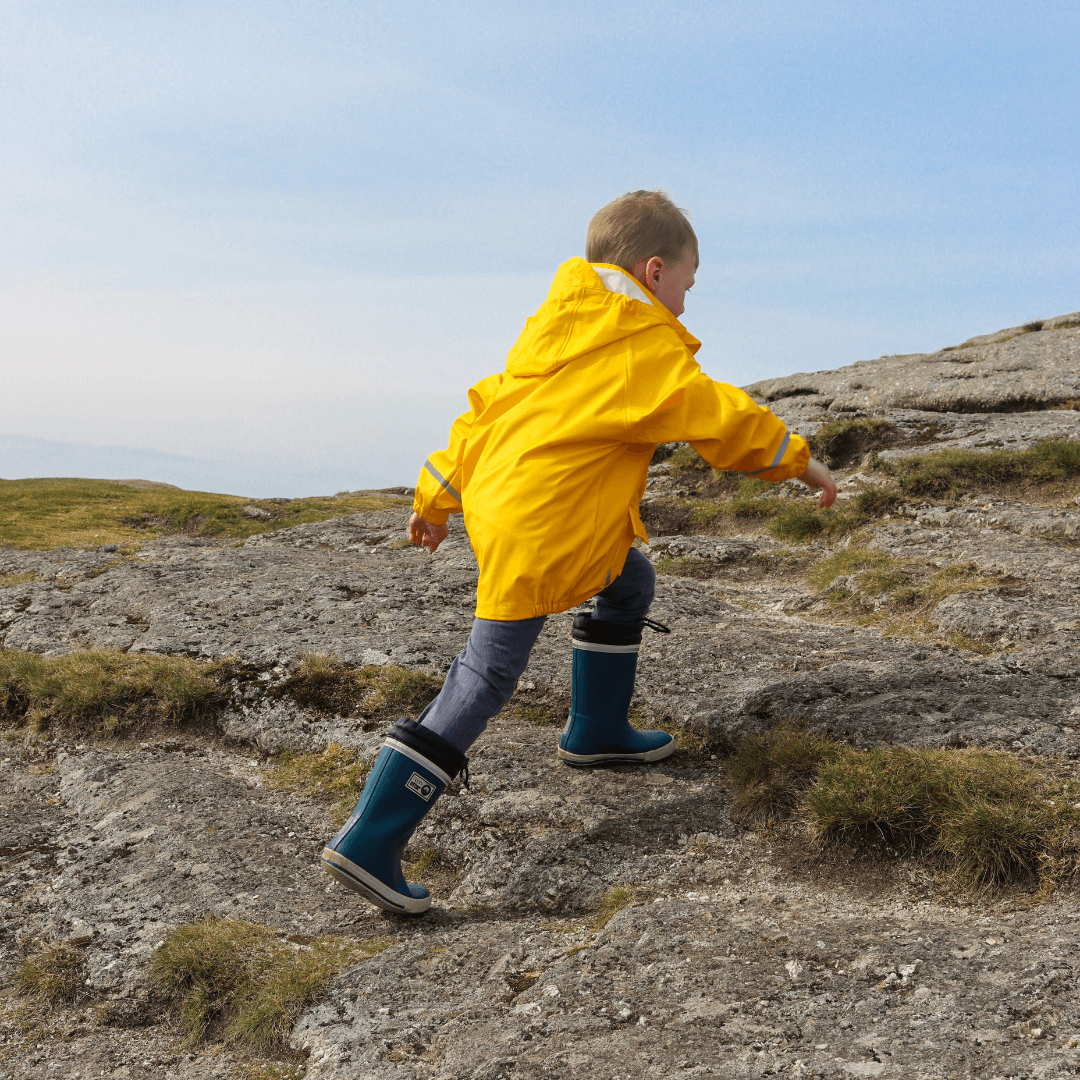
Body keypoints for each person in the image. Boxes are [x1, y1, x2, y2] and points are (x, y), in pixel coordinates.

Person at [322, 190, 837, 913]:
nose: (686, 305)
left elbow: (486, 409)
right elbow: (714, 412)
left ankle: (596, 730)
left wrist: (435, 495)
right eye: (687, 284)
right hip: (544, 522)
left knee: (628, 578)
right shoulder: (638, 340)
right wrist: (798, 458)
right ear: (654, 271)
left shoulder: (555, 329)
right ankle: (371, 840)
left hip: (511, 501)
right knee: (487, 675)